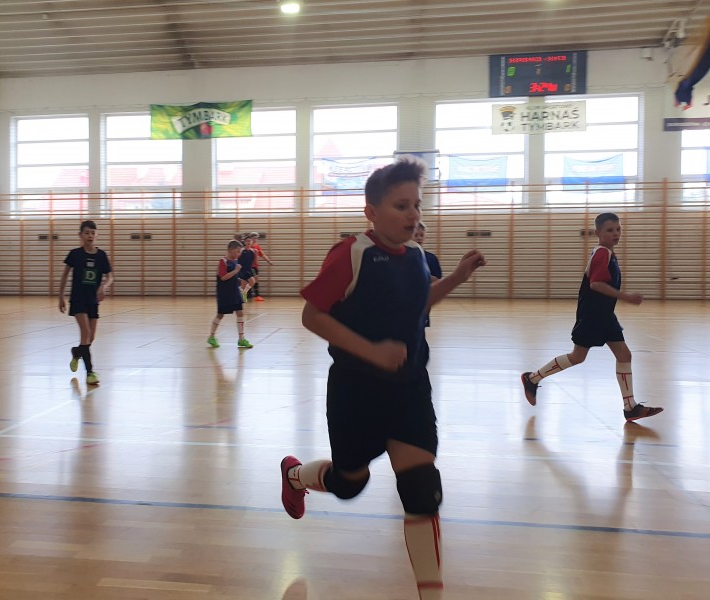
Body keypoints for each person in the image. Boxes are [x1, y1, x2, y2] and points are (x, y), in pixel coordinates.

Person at [279, 157, 486, 600]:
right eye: (401, 206)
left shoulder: (416, 256)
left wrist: (456, 277)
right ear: (371, 211)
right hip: (356, 394)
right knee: (349, 484)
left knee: (422, 490)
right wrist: (371, 351)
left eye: (417, 205)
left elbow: (418, 304)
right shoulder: (351, 254)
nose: (413, 214)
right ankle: (295, 476)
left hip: (409, 390)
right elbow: (312, 316)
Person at [520, 212, 663, 422]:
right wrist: (625, 296)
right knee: (577, 357)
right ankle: (532, 378)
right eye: (610, 230)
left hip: (605, 315)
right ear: (598, 233)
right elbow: (596, 284)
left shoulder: (608, 254)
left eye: (618, 229)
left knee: (624, 355)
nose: (616, 233)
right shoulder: (602, 253)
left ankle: (630, 407)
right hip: (592, 315)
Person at [58, 220, 114, 386]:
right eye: (87, 233)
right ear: (80, 235)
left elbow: (110, 277)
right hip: (78, 299)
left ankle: (77, 352)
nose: (90, 236)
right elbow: (65, 275)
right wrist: (61, 296)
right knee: (86, 333)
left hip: (93, 301)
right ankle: (90, 373)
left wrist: (103, 286)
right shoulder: (75, 254)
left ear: (97, 235)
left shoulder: (101, 255)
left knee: (90, 338)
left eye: (93, 233)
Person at [208, 240, 253, 349]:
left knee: (240, 313)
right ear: (231, 250)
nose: (239, 254)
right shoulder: (223, 261)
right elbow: (223, 277)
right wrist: (235, 271)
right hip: (224, 293)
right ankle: (211, 336)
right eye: (237, 251)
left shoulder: (236, 261)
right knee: (220, 315)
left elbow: (237, 275)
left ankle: (241, 339)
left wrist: (243, 278)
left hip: (235, 292)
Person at [413, 222, 442, 326]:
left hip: (424, 300)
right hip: (406, 301)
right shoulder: (402, 257)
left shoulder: (431, 258)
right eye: (416, 235)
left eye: (421, 235)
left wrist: (423, 277)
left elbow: (437, 280)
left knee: (420, 329)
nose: (419, 238)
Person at [249, 232, 273, 301]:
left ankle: (255, 295)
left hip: (254, 266)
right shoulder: (248, 247)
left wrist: (269, 261)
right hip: (249, 267)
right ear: (251, 238)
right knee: (251, 280)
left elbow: (262, 255)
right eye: (254, 238)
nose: (255, 240)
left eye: (256, 238)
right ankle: (251, 294)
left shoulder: (257, 246)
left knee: (255, 280)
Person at [237, 235, 257, 303]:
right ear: (245, 242)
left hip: (249, 270)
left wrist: (253, 272)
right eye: (247, 241)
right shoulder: (242, 250)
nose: (248, 242)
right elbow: (237, 259)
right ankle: (243, 294)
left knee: (243, 286)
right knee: (252, 282)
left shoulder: (253, 251)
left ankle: (242, 297)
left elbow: (254, 263)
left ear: (252, 242)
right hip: (242, 270)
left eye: (249, 241)